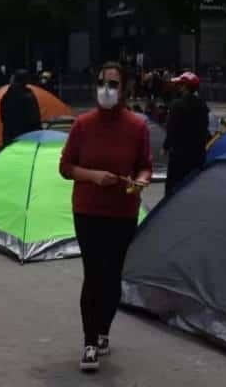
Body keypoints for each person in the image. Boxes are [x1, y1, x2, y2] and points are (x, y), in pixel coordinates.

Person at [59, 62, 152, 372]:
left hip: (123, 212)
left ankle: (103, 331)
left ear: (124, 89)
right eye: (102, 83)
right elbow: (66, 167)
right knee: (94, 274)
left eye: (113, 84)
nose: (106, 90)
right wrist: (94, 176)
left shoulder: (137, 126)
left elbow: (146, 165)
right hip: (88, 210)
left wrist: (141, 179)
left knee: (113, 278)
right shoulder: (83, 125)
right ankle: (88, 342)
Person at [163, 72, 209, 195]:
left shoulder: (176, 105)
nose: (178, 87)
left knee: (173, 187)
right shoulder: (203, 105)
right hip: (197, 153)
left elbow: (172, 128)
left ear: (184, 87)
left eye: (180, 85)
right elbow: (205, 129)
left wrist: (166, 146)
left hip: (179, 154)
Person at [1, 70, 42, 147]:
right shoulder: (28, 94)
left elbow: (2, 116)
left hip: (10, 134)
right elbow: (35, 116)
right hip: (27, 134)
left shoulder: (8, 95)